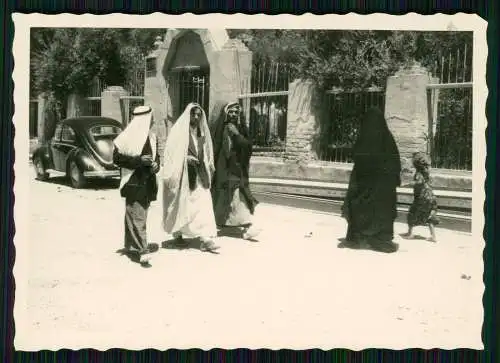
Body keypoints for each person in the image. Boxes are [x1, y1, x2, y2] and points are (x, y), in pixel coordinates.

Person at [340, 107, 401, 253]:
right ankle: (380, 238)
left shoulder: (363, 138)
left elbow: (356, 157)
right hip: (383, 186)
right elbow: (395, 162)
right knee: (382, 208)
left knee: (360, 206)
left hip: (364, 184)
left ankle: (360, 237)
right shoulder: (387, 139)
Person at [161, 102, 220, 252]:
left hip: (200, 175)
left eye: (199, 115)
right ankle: (178, 233)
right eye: (193, 114)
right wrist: (185, 158)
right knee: (182, 205)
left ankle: (205, 238)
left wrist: (209, 165)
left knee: (203, 204)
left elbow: (206, 152)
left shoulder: (201, 133)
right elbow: (171, 153)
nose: (196, 117)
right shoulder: (178, 132)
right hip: (184, 176)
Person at [113, 105, 160, 266]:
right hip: (133, 181)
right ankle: (143, 250)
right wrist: (138, 161)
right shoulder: (125, 138)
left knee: (134, 213)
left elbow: (157, 158)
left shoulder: (152, 137)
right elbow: (117, 160)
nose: (153, 120)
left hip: (148, 182)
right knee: (138, 215)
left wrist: (156, 166)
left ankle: (131, 245)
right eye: (151, 117)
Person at [211, 101, 261, 240]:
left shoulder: (241, 129)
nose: (233, 114)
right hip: (222, 167)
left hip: (236, 168)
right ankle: (219, 222)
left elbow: (247, 147)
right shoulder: (219, 128)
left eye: (236, 112)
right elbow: (215, 148)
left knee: (238, 195)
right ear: (226, 113)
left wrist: (237, 135)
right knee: (223, 196)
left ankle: (247, 225)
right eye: (231, 112)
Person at [403, 152, 439, 242]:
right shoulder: (426, 171)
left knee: (412, 213)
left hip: (422, 197)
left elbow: (419, 182)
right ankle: (433, 236)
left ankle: (410, 233)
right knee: (429, 216)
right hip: (430, 196)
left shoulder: (419, 173)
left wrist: (407, 184)